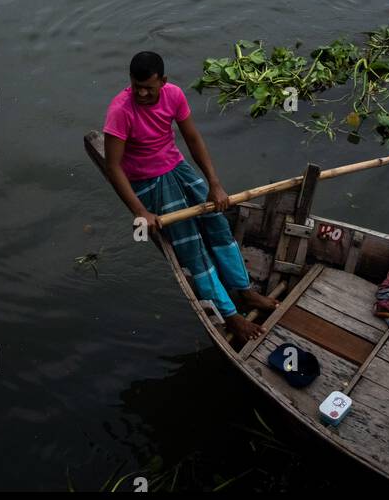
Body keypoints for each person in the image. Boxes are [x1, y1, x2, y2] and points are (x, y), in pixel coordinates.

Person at [103, 50, 277, 346]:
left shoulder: (174, 95)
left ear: (164, 82)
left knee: (217, 223)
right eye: (137, 86)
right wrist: (141, 212)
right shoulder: (120, 111)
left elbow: (193, 139)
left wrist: (215, 184)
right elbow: (113, 166)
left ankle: (243, 289)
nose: (143, 93)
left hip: (177, 167)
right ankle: (230, 313)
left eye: (149, 87)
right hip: (148, 181)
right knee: (191, 245)